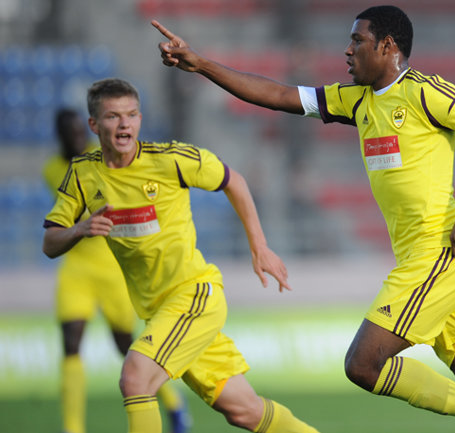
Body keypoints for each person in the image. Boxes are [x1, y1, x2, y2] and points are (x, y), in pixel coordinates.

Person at [152, 5, 455, 433]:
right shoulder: (356, 100)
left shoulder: (424, 93)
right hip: (422, 261)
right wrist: (202, 65)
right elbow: (278, 95)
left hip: (439, 254)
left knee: (363, 364)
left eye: (357, 41)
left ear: (387, 46)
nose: (347, 50)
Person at [42, 79, 320, 433]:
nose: (125, 124)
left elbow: (233, 180)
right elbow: (50, 242)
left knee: (135, 377)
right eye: (113, 116)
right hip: (160, 313)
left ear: (140, 119)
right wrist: (78, 229)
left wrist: (259, 246)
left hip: (194, 297)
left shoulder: (170, 159)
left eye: (131, 115)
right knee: (245, 411)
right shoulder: (83, 173)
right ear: (94, 125)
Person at [43, 107, 192, 433]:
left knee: (126, 345)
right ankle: (73, 428)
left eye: (80, 131)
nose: (78, 137)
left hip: (111, 266)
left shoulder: (101, 159)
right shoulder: (51, 170)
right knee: (71, 342)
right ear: (61, 135)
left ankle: (173, 401)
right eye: (70, 132)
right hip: (77, 268)